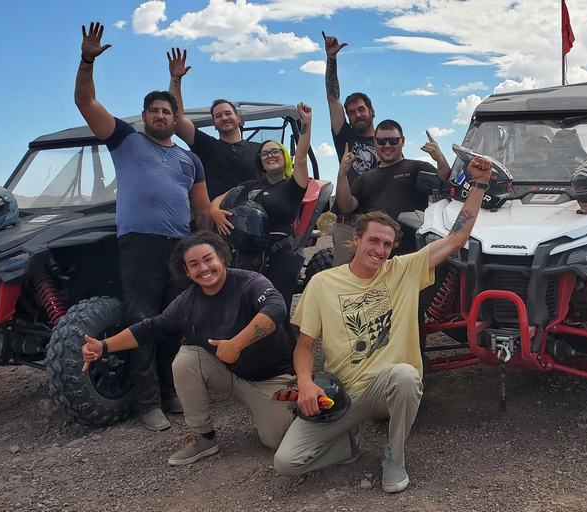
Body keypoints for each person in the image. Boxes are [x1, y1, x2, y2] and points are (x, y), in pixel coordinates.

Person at [274, 156, 494, 493]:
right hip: (343, 393)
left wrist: (477, 185)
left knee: (406, 374)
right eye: (373, 241)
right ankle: (348, 445)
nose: (379, 250)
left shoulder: (402, 271)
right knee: (287, 463)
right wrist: (305, 382)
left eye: (387, 244)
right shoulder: (322, 283)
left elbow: (455, 239)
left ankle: (395, 458)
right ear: (356, 240)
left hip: (388, 387)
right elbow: (304, 345)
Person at [74, 23, 211, 432]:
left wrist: (206, 243)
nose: (160, 116)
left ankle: (171, 394)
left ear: (174, 118)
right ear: (145, 116)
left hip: (180, 247)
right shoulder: (125, 140)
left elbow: (201, 209)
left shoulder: (190, 160)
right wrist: (87, 60)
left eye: (167, 111)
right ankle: (148, 403)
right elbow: (85, 101)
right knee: (141, 322)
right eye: (153, 110)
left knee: (175, 323)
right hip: (139, 243)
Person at [81, 231, 297, 466]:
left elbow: (276, 309)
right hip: (228, 371)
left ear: (222, 258)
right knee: (185, 361)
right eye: (194, 264)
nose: (203, 268)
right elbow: (148, 329)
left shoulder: (250, 282)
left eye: (208, 259)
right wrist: (104, 345)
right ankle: (204, 439)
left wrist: (237, 344)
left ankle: (299, 401)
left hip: (271, 376)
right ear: (186, 272)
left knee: (277, 441)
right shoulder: (185, 303)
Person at [209, 102, 313, 313]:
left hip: (280, 256)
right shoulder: (250, 185)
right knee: (248, 310)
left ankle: (285, 347)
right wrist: (214, 212)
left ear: (284, 155)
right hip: (249, 257)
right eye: (264, 154)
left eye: (275, 151)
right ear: (260, 162)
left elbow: (301, 156)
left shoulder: (294, 185)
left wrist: (306, 122)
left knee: (275, 311)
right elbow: (218, 199)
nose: (270, 156)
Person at [335, 119, 452, 256]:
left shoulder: (417, 168)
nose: (387, 145)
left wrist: (440, 158)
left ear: (402, 141)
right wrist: (342, 174)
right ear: (375, 142)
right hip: (376, 254)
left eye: (393, 141)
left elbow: (446, 183)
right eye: (382, 141)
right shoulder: (364, 178)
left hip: (412, 254)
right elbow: (346, 206)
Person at [168, 48, 261, 201]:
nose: (224, 118)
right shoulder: (207, 146)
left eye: (228, 113)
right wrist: (176, 79)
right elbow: (177, 119)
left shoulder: (259, 150)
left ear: (238, 118)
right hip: (216, 220)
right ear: (214, 124)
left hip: (253, 220)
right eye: (218, 116)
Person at [322, 32, 380, 266]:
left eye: (361, 110)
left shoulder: (387, 142)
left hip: (378, 225)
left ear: (371, 111)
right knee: (344, 286)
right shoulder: (344, 136)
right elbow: (332, 98)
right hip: (348, 227)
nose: (357, 115)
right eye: (352, 112)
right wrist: (331, 59)